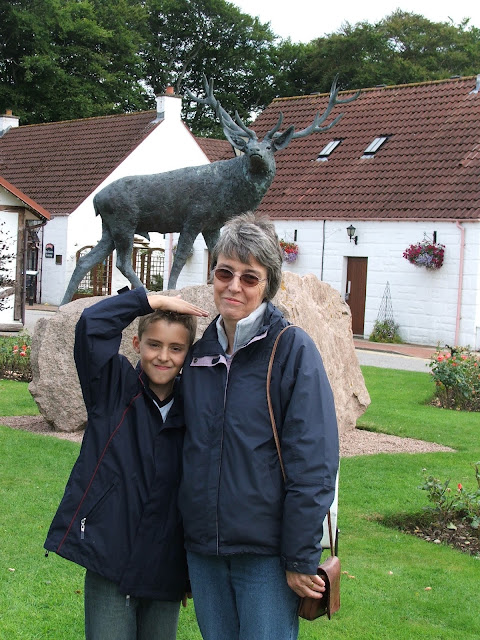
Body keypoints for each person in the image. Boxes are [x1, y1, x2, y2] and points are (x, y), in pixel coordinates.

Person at [179, 212, 340, 640]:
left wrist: (300, 555)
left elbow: (314, 462)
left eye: (249, 277)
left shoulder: (291, 350)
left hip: (266, 557)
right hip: (205, 551)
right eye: (224, 272)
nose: (234, 286)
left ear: (268, 285)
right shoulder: (199, 353)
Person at [44, 287, 208, 640]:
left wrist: (187, 570)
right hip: (110, 556)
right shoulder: (112, 388)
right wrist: (149, 301)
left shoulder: (194, 409)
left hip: (164, 565)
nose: (163, 356)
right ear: (136, 344)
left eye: (176, 348)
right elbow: (92, 325)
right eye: (154, 344)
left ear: (187, 354)